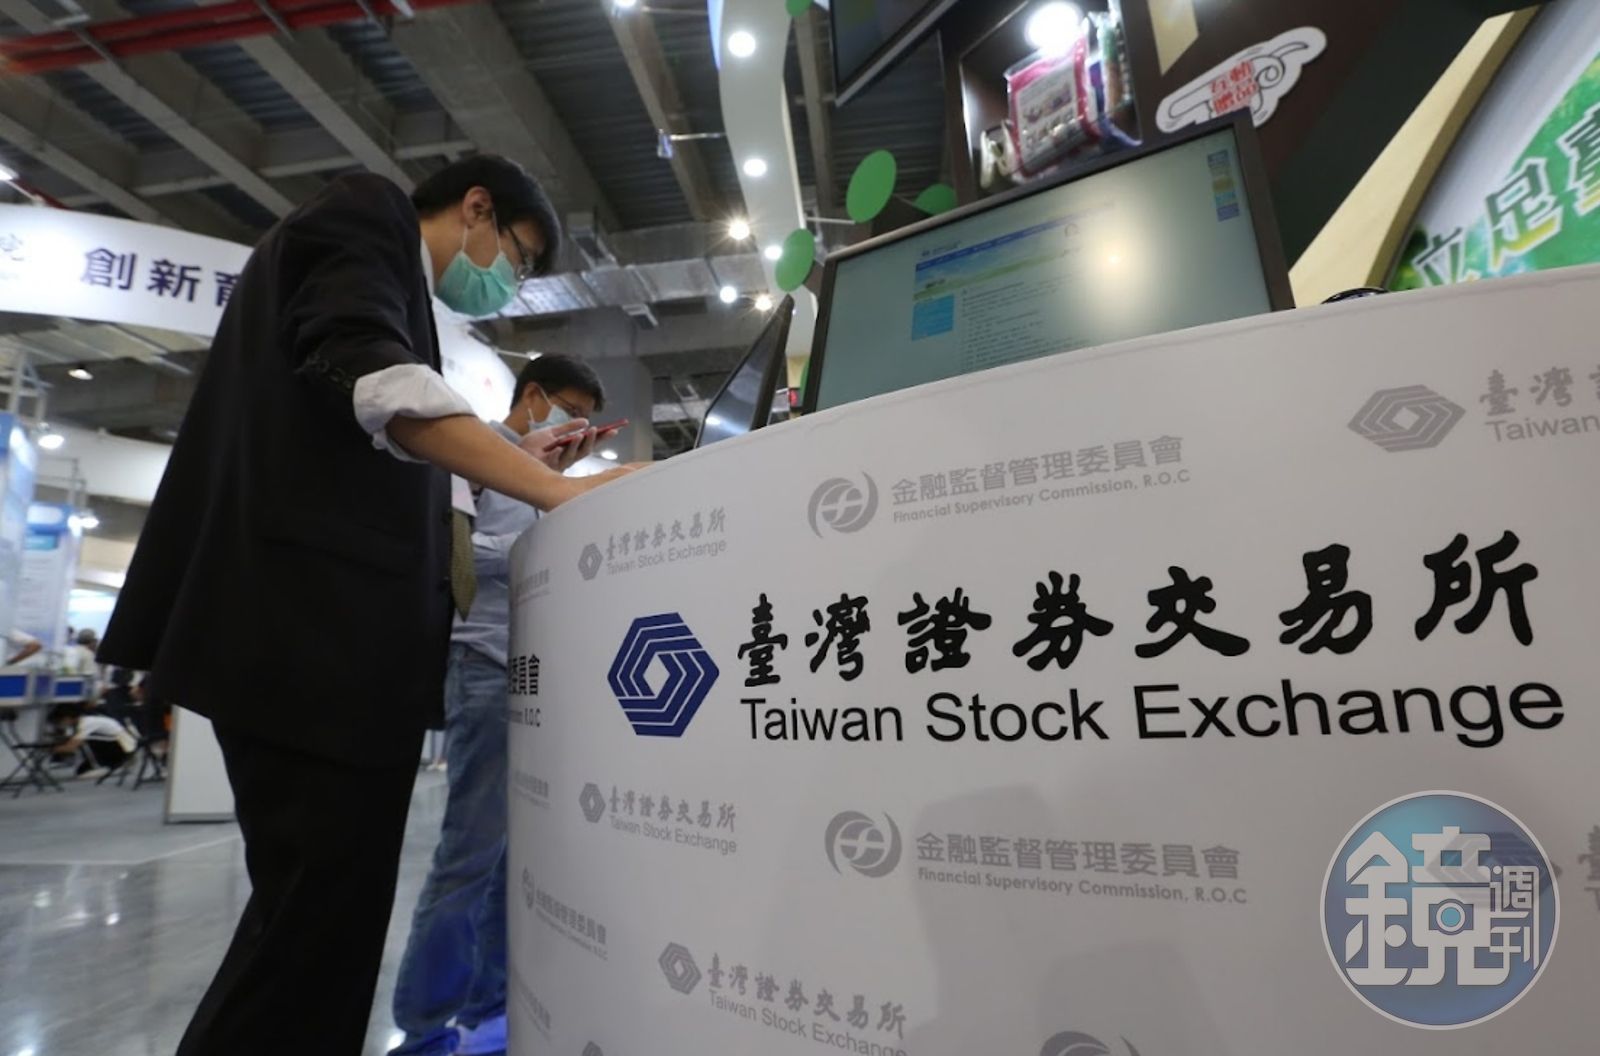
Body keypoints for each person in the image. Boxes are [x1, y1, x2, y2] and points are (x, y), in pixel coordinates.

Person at [97, 154, 636, 1056]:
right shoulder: (365, 212)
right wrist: (559, 494)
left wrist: (518, 466)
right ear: (476, 208)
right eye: (517, 254)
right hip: (310, 648)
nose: (509, 279)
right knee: (311, 945)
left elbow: (368, 438)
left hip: (321, 655)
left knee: (312, 939)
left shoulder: (395, 281)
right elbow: (366, 373)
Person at [389, 354, 605, 1056]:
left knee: (511, 856)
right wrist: (541, 535)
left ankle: (487, 1003)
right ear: (534, 396)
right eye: (571, 410)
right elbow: (453, 553)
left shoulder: (541, 473)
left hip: (530, 675)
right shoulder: (472, 450)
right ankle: (425, 1026)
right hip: (481, 665)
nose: (577, 426)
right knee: (468, 855)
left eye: (587, 420)